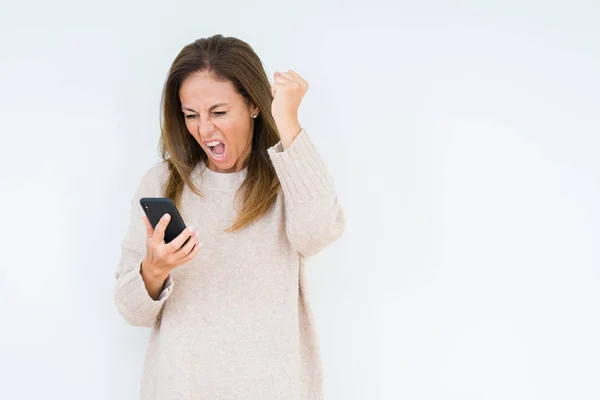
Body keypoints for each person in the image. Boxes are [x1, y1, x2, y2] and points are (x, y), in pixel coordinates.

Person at [113, 34, 345, 399]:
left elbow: (319, 232)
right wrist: (154, 271)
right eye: (191, 115)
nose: (204, 130)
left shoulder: (288, 178)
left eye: (218, 112)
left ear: (253, 104)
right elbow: (132, 311)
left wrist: (287, 119)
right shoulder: (162, 183)